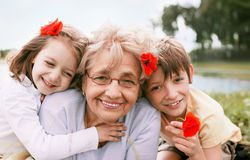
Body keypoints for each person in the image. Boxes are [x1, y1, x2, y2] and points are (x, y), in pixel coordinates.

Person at [0, 19, 125, 160]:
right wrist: (94, 135)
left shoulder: (38, 88)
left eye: (67, 73)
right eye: (49, 63)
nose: (54, 77)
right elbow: (42, 150)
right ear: (34, 55)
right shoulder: (16, 94)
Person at [39, 24, 161, 160]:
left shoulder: (145, 118)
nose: (113, 93)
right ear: (83, 82)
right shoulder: (58, 108)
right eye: (101, 78)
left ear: (139, 87)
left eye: (127, 81)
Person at [143, 37, 242, 160]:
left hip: (217, 144)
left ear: (190, 73)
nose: (171, 94)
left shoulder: (209, 115)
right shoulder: (146, 107)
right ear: (144, 91)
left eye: (177, 80)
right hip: (175, 142)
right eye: (157, 87)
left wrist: (196, 154)